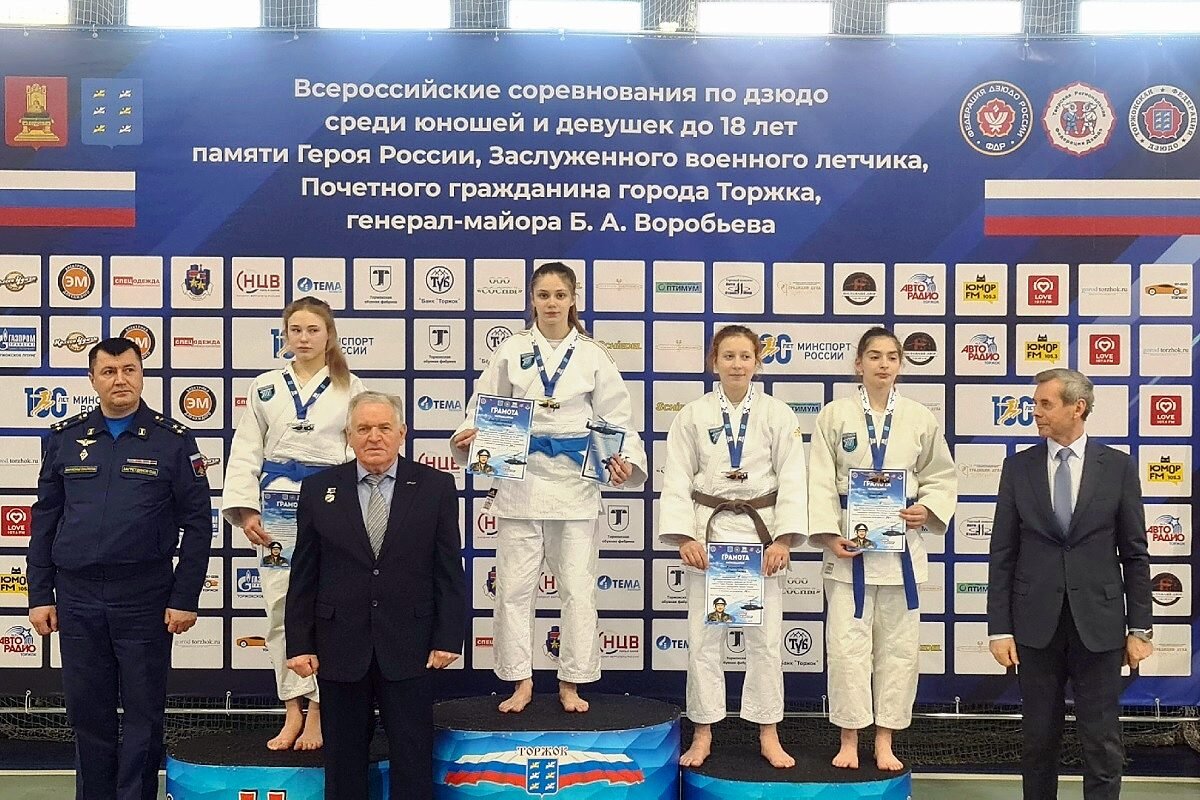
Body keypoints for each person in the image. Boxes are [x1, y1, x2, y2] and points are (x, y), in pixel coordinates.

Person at [450, 262, 648, 714]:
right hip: (520, 479)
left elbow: (617, 416)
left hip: (575, 483)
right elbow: (483, 406)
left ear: (573, 299)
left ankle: (571, 681)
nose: (552, 303)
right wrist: (469, 438)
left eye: (560, 295)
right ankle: (520, 680)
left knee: (577, 587)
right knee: (514, 588)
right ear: (532, 300)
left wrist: (626, 462)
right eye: (543, 295)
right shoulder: (512, 349)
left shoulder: (593, 355)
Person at [28, 337, 212, 800]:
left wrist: (184, 597)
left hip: (144, 596)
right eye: (109, 372)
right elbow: (45, 519)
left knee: (144, 714)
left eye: (129, 370)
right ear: (92, 379)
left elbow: (198, 525)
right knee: (87, 713)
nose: (120, 380)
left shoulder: (173, 440)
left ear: (142, 375)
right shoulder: (64, 438)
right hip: (77, 596)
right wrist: (39, 594)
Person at [286, 391, 465, 800]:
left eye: (384, 427)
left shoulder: (436, 486)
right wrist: (299, 643)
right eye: (363, 428)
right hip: (339, 646)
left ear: (402, 433)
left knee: (413, 756)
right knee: (343, 761)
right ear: (348, 436)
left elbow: (448, 569)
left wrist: (447, 637)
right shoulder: (318, 489)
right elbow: (304, 574)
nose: (374, 437)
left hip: (411, 644)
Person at [987, 368, 1152, 800]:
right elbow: (1002, 553)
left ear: (1077, 407)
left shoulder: (1117, 467)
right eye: (1035, 404)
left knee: (1102, 741)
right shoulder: (1017, 467)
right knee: (1038, 739)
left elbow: (1135, 554)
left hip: (1099, 626)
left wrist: (1140, 628)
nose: (1035, 412)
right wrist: (999, 628)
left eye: (1045, 404)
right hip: (1035, 626)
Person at [659, 325, 808, 769]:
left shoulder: (778, 414)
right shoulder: (693, 415)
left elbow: (793, 477)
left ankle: (768, 732)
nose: (737, 364)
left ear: (758, 362)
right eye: (729, 356)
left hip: (762, 540)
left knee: (766, 641)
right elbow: (677, 476)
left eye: (745, 356)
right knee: (703, 641)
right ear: (714, 362)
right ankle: (703, 732)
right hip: (710, 537)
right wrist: (684, 536)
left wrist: (784, 539)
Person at [808, 326, 956, 772]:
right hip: (848, 550)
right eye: (874, 356)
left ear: (901, 365)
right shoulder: (834, 415)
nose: (883, 364)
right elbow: (819, 479)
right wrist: (828, 535)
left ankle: (885, 739)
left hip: (900, 552)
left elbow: (940, 474)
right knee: (846, 650)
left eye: (892, 357)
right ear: (859, 364)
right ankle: (849, 737)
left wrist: (926, 508)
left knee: (899, 651)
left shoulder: (918, 417)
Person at [222, 296, 365, 750]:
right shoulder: (265, 387)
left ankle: (318, 711)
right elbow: (246, 450)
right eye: (295, 330)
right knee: (281, 607)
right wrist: (246, 510)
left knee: (327, 608)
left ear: (329, 336)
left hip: (329, 502)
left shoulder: (351, 387)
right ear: (285, 335)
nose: (303, 338)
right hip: (277, 507)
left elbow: (360, 451)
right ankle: (291, 710)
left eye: (312, 330)